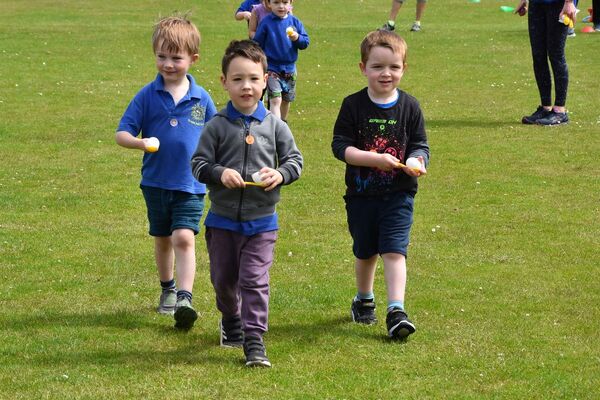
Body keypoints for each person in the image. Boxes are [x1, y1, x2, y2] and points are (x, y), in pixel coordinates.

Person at [191, 40, 303, 367]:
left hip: (262, 222)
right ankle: (230, 318)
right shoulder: (216, 126)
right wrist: (219, 172)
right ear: (224, 81)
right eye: (238, 79)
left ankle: (254, 340)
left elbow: (295, 161)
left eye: (253, 78)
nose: (246, 86)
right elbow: (197, 164)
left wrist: (280, 174)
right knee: (224, 281)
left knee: (254, 280)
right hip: (222, 221)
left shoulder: (275, 125)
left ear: (266, 80)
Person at [115, 14, 216, 330]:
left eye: (176, 57)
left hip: (191, 184)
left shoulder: (201, 99)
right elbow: (122, 133)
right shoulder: (147, 95)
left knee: (184, 237)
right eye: (162, 56)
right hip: (155, 183)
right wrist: (141, 143)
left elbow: (217, 133)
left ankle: (185, 298)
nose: (168, 64)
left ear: (193, 59)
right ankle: (167, 288)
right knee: (162, 239)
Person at [331, 30, 429, 340]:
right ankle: (364, 299)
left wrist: (416, 161)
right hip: (361, 196)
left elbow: (420, 145)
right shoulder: (353, 105)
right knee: (365, 252)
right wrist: (374, 159)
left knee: (394, 251)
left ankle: (396, 310)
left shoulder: (410, 107)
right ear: (363, 68)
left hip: (398, 195)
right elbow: (340, 147)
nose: (386, 74)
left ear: (404, 68)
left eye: (394, 67)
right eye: (377, 67)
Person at [518, 0, 576, 125]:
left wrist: (569, 2)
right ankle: (545, 108)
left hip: (559, 3)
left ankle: (560, 111)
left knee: (556, 54)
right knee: (538, 55)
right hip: (537, 3)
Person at [253, 0, 309, 122]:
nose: (281, 6)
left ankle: (283, 124)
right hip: (272, 68)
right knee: (275, 99)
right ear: (269, 4)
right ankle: (275, 127)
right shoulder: (266, 23)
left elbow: (305, 42)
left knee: (286, 100)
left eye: (284, 2)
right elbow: (257, 43)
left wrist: (297, 37)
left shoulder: (294, 22)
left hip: (290, 69)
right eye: (276, 2)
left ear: (290, 2)